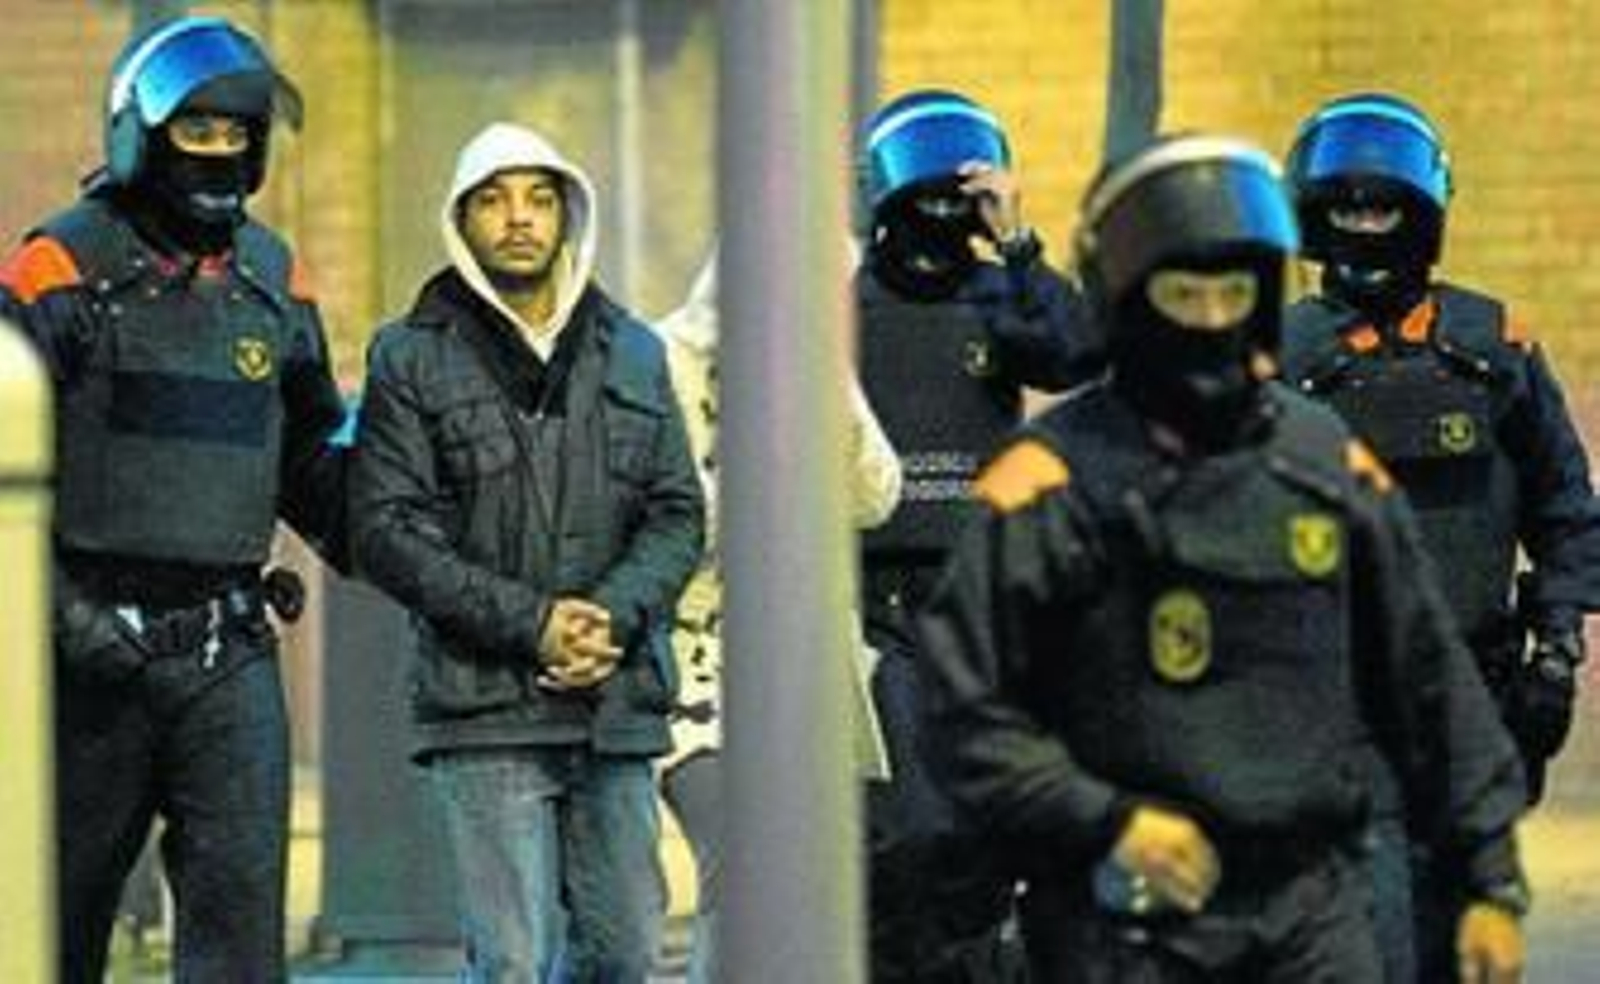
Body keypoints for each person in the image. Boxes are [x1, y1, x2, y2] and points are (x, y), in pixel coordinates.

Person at [917, 134, 1531, 984]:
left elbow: (1427, 678)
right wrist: (1102, 818)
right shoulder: (1047, 483)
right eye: (1182, 293)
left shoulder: (1324, 463)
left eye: (1232, 292)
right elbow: (959, 705)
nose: (1211, 319)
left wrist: (1490, 877)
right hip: (1124, 915)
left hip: (1311, 907)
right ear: (1129, 301)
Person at [0, 16, 347, 983]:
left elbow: (315, 453)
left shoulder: (277, 277)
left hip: (228, 658)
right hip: (82, 665)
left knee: (240, 947)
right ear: (139, 133)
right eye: (199, 131)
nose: (224, 151)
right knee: (45, 937)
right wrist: (68, 623)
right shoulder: (58, 266)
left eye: (240, 133)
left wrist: (405, 514)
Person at [351, 121, 704, 983]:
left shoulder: (634, 349)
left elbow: (677, 512)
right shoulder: (409, 356)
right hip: (484, 708)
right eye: (494, 201)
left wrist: (604, 623)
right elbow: (389, 532)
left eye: (540, 199)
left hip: (615, 699)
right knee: (511, 963)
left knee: (622, 952)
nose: (519, 219)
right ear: (460, 221)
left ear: (568, 216)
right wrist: (536, 626)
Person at [1280, 91, 1600, 982]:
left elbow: (1568, 509)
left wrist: (1560, 648)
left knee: (1464, 936)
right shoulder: (1277, 355)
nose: (1364, 226)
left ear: (1421, 214)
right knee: (1376, 927)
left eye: (1382, 208)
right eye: (1346, 209)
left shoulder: (1496, 346)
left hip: (1474, 688)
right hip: (1338, 699)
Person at [854, 88, 1101, 983]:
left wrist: (1021, 243)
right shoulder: (841, 303)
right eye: (926, 191)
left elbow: (1080, 352)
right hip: (875, 618)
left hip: (987, 612)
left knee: (987, 834)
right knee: (909, 834)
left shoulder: (1001, 293)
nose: (942, 211)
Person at [653, 244, 902, 983]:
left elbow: (876, 496)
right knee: (740, 852)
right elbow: (671, 522)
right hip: (687, 663)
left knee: (798, 878)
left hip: (791, 670)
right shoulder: (662, 360)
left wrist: (830, 386)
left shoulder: (815, 372)